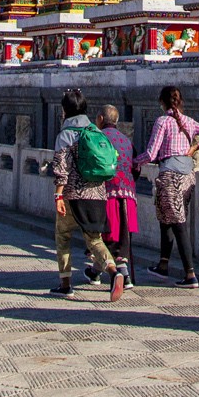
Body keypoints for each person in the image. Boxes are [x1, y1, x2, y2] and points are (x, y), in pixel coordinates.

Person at [136, 85, 199, 287]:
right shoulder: (189, 121)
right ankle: (163, 265)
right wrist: (196, 147)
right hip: (187, 175)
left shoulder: (162, 121)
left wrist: (133, 161)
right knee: (167, 218)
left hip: (170, 175)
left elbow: (151, 153)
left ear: (162, 103)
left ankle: (190, 273)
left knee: (177, 222)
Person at [48, 88, 123, 301]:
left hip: (73, 196)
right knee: (94, 239)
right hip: (97, 195)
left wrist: (58, 196)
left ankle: (65, 284)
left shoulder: (66, 134)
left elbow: (61, 168)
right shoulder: (95, 130)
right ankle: (113, 271)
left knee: (63, 236)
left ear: (65, 111)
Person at [86, 104, 139, 291]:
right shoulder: (126, 141)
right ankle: (96, 272)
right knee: (122, 237)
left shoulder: (97, 139)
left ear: (100, 119)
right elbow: (136, 167)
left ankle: (121, 274)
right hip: (128, 195)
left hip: (104, 196)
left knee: (104, 238)